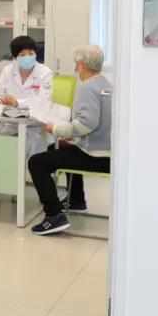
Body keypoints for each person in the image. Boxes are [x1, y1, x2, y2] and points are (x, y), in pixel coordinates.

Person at [28, 44, 112, 236]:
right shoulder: (105, 84)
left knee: (36, 162)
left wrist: (56, 129)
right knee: (58, 149)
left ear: (81, 65)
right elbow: (95, 125)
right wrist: (73, 138)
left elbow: (86, 124)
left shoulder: (88, 87)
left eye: (76, 64)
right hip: (107, 153)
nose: (75, 68)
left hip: (96, 156)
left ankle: (54, 216)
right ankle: (76, 200)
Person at [0, 35, 53, 155]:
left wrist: (16, 103)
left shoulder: (45, 73)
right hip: (10, 124)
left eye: (31, 53)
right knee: (0, 153)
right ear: (15, 57)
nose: (27, 57)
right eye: (22, 54)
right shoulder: (8, 71)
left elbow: (42, 102)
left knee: (25, 155)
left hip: (34, 126)